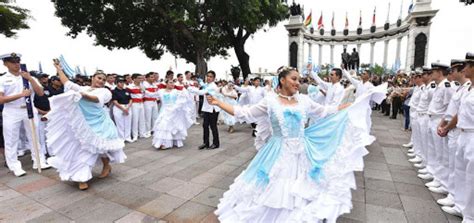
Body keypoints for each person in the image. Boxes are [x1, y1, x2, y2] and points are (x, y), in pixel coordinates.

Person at [210, 66, 386, 222]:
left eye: (298, 79)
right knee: (274, 190)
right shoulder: (270, 101)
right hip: (278, 151)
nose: (297, 82)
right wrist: (219, 103)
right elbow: (244, 112)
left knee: (304, 189)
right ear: (282, 80)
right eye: (294, 79)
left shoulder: (304, 100)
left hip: (303, 151)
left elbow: (324, 112)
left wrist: (348, 107)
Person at [47, 61, 126, 190]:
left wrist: (83, 95)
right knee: (84, 150)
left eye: (103, 80)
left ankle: (106, 166)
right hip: (84, 123)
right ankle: (81, 178)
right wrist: (59, 69)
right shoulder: (82, 88)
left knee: (100, 148)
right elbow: (67, 83)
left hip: (100, 123)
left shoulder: (105, 92)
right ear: (93, 78)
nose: (101, 81)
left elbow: (94, 99)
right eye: (99, 78)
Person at [0, 52, 51, 177]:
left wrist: (30, 79)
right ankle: (15, 166)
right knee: (11, 140)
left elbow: (40, 93)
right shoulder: (2, 79)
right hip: (12, 111)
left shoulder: (27, 76)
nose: (16, 64)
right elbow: (1, 99)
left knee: (34, 137)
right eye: (13, 62)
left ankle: (39, 161)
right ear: (5, 64)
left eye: (18, 61)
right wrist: (21, 95)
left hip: (29, 109)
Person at [435, 59, 471, 217]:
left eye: (468, 66)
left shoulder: (461, 88)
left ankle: (469, 214)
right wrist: (446, 125)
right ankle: (460, 204)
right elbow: (457, 111)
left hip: (471, 133)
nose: (464, 69)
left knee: (470, 176)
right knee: (460, 170)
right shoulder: (467, 89)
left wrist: (448, 127)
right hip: (462, 132)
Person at [152, 79, 194, 150]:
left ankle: (174, 141)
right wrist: (144, 90)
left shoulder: (176, 92)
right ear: (166, 84)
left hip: (174, 111)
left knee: (174, 126)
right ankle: (163, 143)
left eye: (173, 83)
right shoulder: (161, 91)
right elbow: (152, 95)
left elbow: (184, 98)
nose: (172, 84)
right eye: (170, 83)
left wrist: (185, 90)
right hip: (164, 111)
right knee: (164, 125)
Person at [189, 71, 221, 150]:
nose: (209, 78)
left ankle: (216, 143)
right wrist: (201, 82)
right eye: (208, 76)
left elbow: (201, 92)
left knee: (213, 126)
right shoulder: (207, 85)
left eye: (211, 77)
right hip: (207, 108)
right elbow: (204, 86)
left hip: (213, 109)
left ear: (213, 78)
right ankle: (205, 143)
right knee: (205, 126)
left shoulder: (213, 86)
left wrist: (189, 88)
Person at [127, 73, 149, 140]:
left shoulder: (142, 86)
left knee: (142, 119)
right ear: (134, 79)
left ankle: (142, 133)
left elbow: (144, 94)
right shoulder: (129, 87)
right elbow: (128, 97)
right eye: (139, 78)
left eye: (141, 78)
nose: (141, 79)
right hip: (134, 104)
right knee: (135, 120)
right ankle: (135, 135)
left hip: (141, 103)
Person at [111, 77, 133, 143]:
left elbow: (130, 99)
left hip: (127, 107)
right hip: (119, 107)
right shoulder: (114, 91)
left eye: (123, 82)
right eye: (120, 82)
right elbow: (114, 101)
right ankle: (121, 138)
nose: (122, 84)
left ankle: (127, 137)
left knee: (128, 123)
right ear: (117, 83)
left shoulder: (126, 90)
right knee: (120, 124)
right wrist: (123, 108)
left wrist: (128, 107)